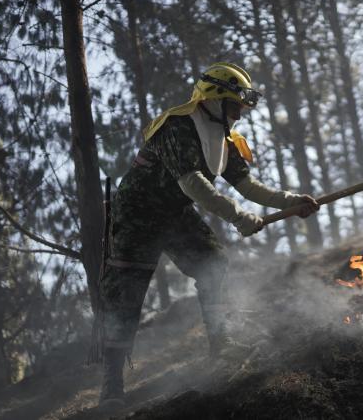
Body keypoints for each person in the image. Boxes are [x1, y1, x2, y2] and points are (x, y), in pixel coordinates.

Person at [97, 62, 319, 409]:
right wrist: (239, 217)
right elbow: (193, 184)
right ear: (216, 99)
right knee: (126, 296)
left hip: (173, 213)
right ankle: (111, 384)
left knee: (213, 262)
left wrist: (291, 202)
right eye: (237, 105)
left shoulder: (225, 138)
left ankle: (221, 341)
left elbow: (246, 185)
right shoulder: (177, 126)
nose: (241, 115)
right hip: (136, 215)